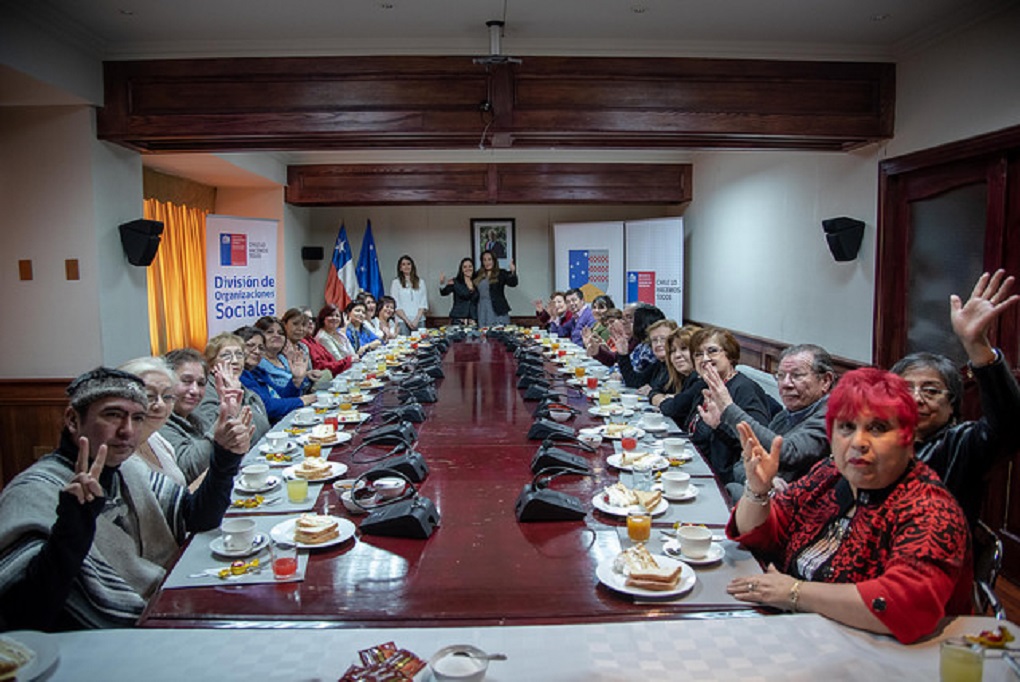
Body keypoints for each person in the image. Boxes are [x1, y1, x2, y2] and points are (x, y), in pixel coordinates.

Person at [725, 368, 973, 644]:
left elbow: (904, 606)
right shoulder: (830, 474)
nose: (858, 442)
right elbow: (763, 531)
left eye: (878, 428)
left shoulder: (929, 508)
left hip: (882, 654)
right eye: (846, 427)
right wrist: (758, 491)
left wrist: (794, 592)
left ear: (908, 437)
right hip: (802, 632)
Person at [0, 367, 253, 630]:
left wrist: (224, 457)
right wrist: (72, 528)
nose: (127, 430)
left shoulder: (129, 468)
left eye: (137, 418)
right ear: (73, 420)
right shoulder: (32, 492)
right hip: (101, 641)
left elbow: (198, 516)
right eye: (113, 415)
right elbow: (23, 618)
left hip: (161, 606)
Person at [890, 269, 1020, 528]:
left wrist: (977, 346)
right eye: (906, 389)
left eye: (931, 391)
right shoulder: (877, 438)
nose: (916, 399)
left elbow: (1009, 424)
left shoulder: (962, 444)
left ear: (952, 405)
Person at [704, 344, 835, 490]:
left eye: (797, 375)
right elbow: (741, 466)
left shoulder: (831, 416)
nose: (786, 384)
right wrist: (761, 479)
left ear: (825, 381)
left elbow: (787, 452)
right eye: (780, 376)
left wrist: (728, 408)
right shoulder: (784, 416)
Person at [687, 327, 772, 483]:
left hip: (725, 479)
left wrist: (720, 425)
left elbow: (758, 443)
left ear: (730, 355)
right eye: (698, 354)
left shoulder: (744, 388)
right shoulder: (705, 386)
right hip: (696, 464)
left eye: (712, 351)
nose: (704, 359)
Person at [118, 356, 189, 488]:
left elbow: (183, 499)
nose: (160, 405)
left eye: (167, 397)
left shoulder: (156, 439)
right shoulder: (120, 455)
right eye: (149, 396)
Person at [193, 332, 271, 444]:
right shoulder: (204, 393)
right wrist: (232, 397)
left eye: (239, 355)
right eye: (226, 355)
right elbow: (223, 436)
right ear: (211, 364)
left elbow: (263, 429)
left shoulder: (248, 392)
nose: (235, 361)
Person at [236, 326, 315, 423]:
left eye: (261, 348)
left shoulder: (257, 371)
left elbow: (280, 396)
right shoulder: (240, 376)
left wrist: (296, 380)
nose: (257, 351)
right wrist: (302, 400)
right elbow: (266, 407)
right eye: (250, 345)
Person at [159, 349, 215, 484]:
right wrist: (220, 429)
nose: (195, 391)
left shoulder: (197, 417)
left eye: (201, 384)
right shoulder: (160, 424)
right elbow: (190, 468)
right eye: (186, 381)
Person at [610, 319, 677, 392]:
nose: (658, 344)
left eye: (663, 339)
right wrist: (623, 354)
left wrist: (653, 391)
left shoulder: (678, 366)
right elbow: (634, 381)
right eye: (654, 340)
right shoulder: (658, 365)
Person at [653, 325, 704, 418]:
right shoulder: (682, 376)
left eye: (684, 348)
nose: (677, 355)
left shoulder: (701, 380)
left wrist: (665, 400)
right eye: (672, 351)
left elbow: (672, 409)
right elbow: (655, 391)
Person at [255, 315, 313, 395]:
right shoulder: (257, 363)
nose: (276, 335)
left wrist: (306, 376)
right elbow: (278, 396)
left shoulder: (282, 358)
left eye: (280, 333)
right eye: (270, 332)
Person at [473, 250, 518, 326]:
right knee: (484, 333)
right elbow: (468, 283)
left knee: (500, 333)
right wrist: (454, 281)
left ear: (494, 260)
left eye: (489, 259)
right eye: (484, 260)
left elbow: (513, 283)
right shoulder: (478, 274)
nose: (487, 262)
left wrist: (513, 271)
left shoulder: (501, 273)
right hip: (482, 308)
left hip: (498, 309)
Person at [391, 254, 429, 334]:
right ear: (400, 268)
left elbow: (423, 302)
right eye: (403, 264)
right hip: (402, 321)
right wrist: (407, 321)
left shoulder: (421, 282)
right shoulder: (396, 283)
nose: (406, 266)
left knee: (421, 344)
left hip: (419, 320)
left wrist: (416, 320)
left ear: (412, 266)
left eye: (408, 264)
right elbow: (396, 304)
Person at [439, 257, 479, 325]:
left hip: (473, 320)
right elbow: (443, 292)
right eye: (465, 267)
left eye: (470, 266)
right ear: (461, 269)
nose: (468, 269)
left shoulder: (477, 282)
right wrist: (442, 283)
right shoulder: (456, 282)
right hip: (458, 320)